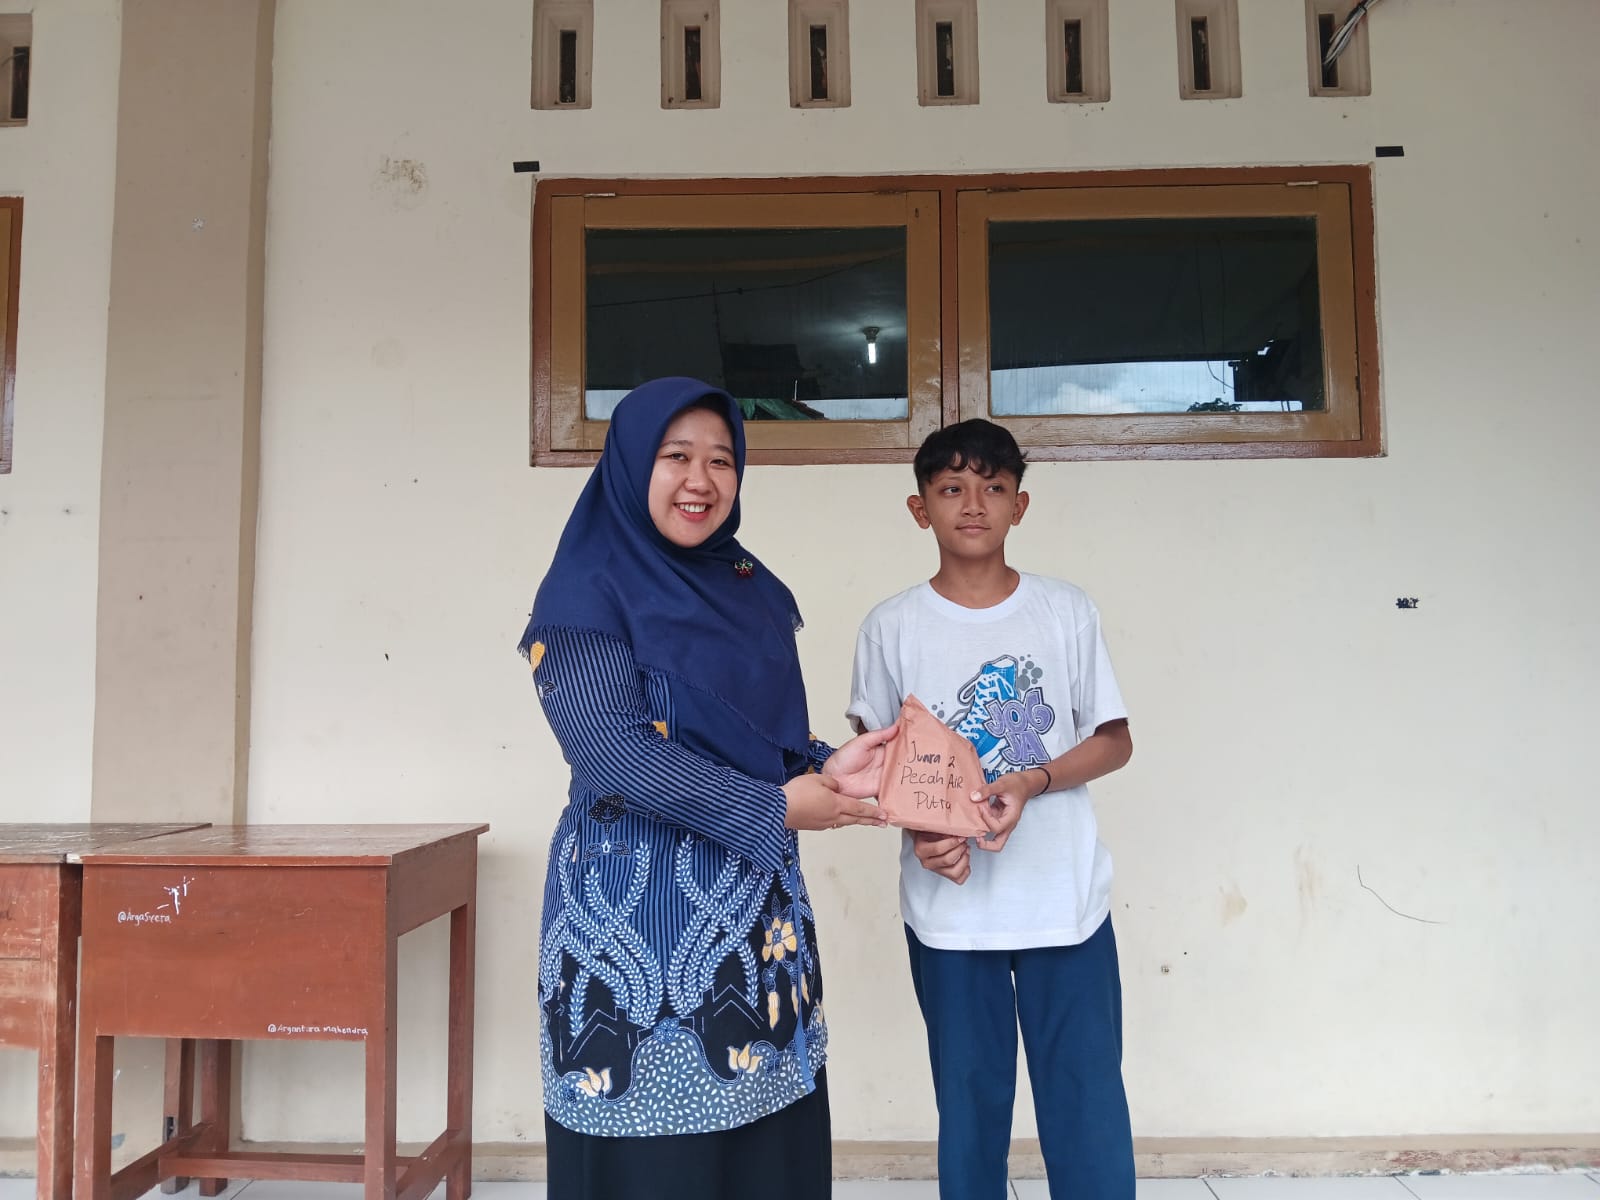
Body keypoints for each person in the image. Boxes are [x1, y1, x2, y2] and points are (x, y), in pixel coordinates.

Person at [518, 377, 895, 1200]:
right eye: (676, 456)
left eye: (722, 460)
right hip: (632, 931)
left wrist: (826, 765)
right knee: (656, 1168)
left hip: (754, 928)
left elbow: (756, 737)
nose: (701, 480)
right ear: (630, 464)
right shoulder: (583, 594)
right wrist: (777, 806)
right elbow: (613, 752)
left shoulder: (745, 587)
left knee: (765, 1156)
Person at [846, 418, 1136, 1200]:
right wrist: (924, 830)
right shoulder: (891, 627)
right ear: (920, 509)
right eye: (951, 488)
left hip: (1064, 902)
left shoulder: (1065, 611)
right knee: (970, 1110)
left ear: (1020, 505)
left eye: (994, 488)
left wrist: (1032, 781)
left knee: (1086, 1103)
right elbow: (873, 765)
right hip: (951, 911)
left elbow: (1113, 741)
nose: (973, 505)